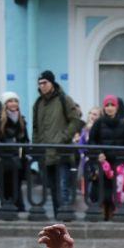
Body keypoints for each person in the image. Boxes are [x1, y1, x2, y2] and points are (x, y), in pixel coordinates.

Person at [32, 70, 84, 220]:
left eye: (45, 83)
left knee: (63, 187)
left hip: (62, 152)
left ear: (52, 83)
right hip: (46, 154)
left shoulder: (63, 99)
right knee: (53, 189)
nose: (42, 86)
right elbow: (36, 127)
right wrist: (37, 146)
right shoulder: (38, 103)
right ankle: (57, 218)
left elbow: (75, 121)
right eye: (40, 83)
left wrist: (63, 137)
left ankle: (65, 218)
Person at [88, 95, 124, 221]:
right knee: (101, 190)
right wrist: (98, 153)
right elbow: (91, 141)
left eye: (112, 105)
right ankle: (102, 215)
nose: (110, 108)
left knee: (118, 190)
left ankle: (116, 214)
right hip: (103, 163)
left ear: (117, 107)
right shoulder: (98, 123)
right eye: (107, 105)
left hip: (119, 164)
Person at [0, 91, 29, 213]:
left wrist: (23, 147)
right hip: (4, 159)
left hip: (18, 159)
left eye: (15, 101)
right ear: (5, 104)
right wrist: (3, 147)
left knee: (16, 186)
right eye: (10, 101)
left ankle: (18, 209)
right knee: (5, 186)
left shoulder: (21, 120)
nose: (13, 104)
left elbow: (26, 139)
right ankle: (7, 209)